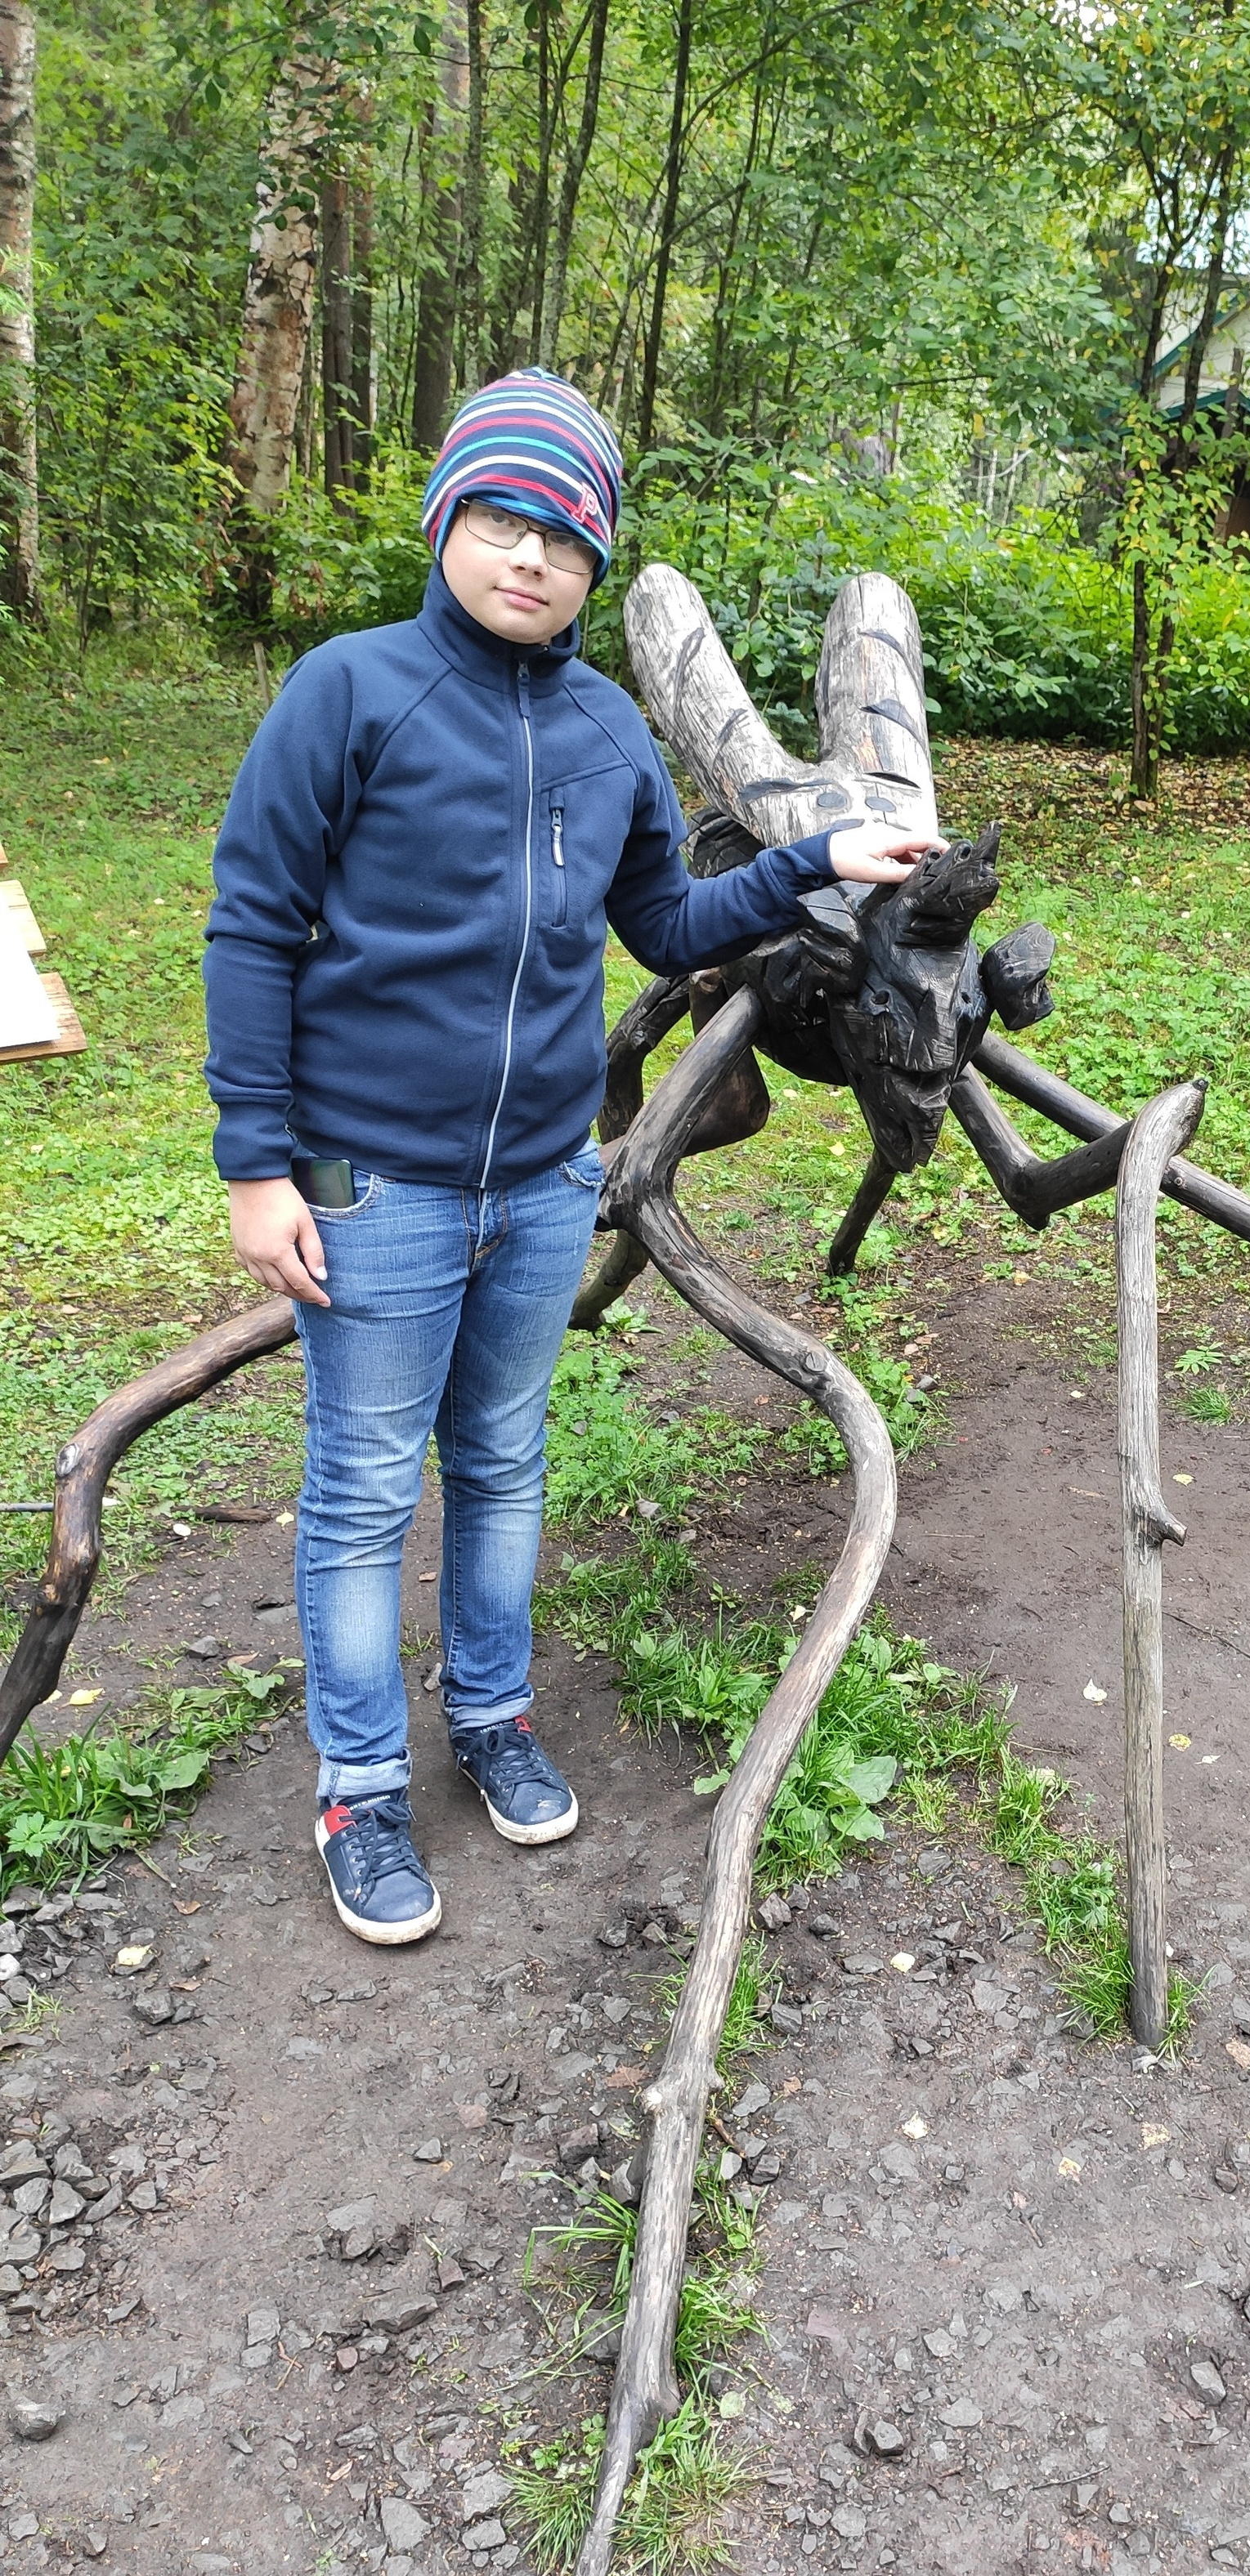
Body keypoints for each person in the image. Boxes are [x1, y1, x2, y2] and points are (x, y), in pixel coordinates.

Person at [201, 369, 940, 1949]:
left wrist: (813, 860)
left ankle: (490, 1715)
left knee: (507, 1462)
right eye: (501, 518)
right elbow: (252, 923)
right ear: (447, 520)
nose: (529, 556)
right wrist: (256, 1167)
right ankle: (359, 1788)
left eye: (565, 536)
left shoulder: (609, 727)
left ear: (595, 564)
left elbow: (666, 925)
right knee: (358, 1493)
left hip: (543, 1180)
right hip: (373, 1186)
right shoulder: (348, 691)